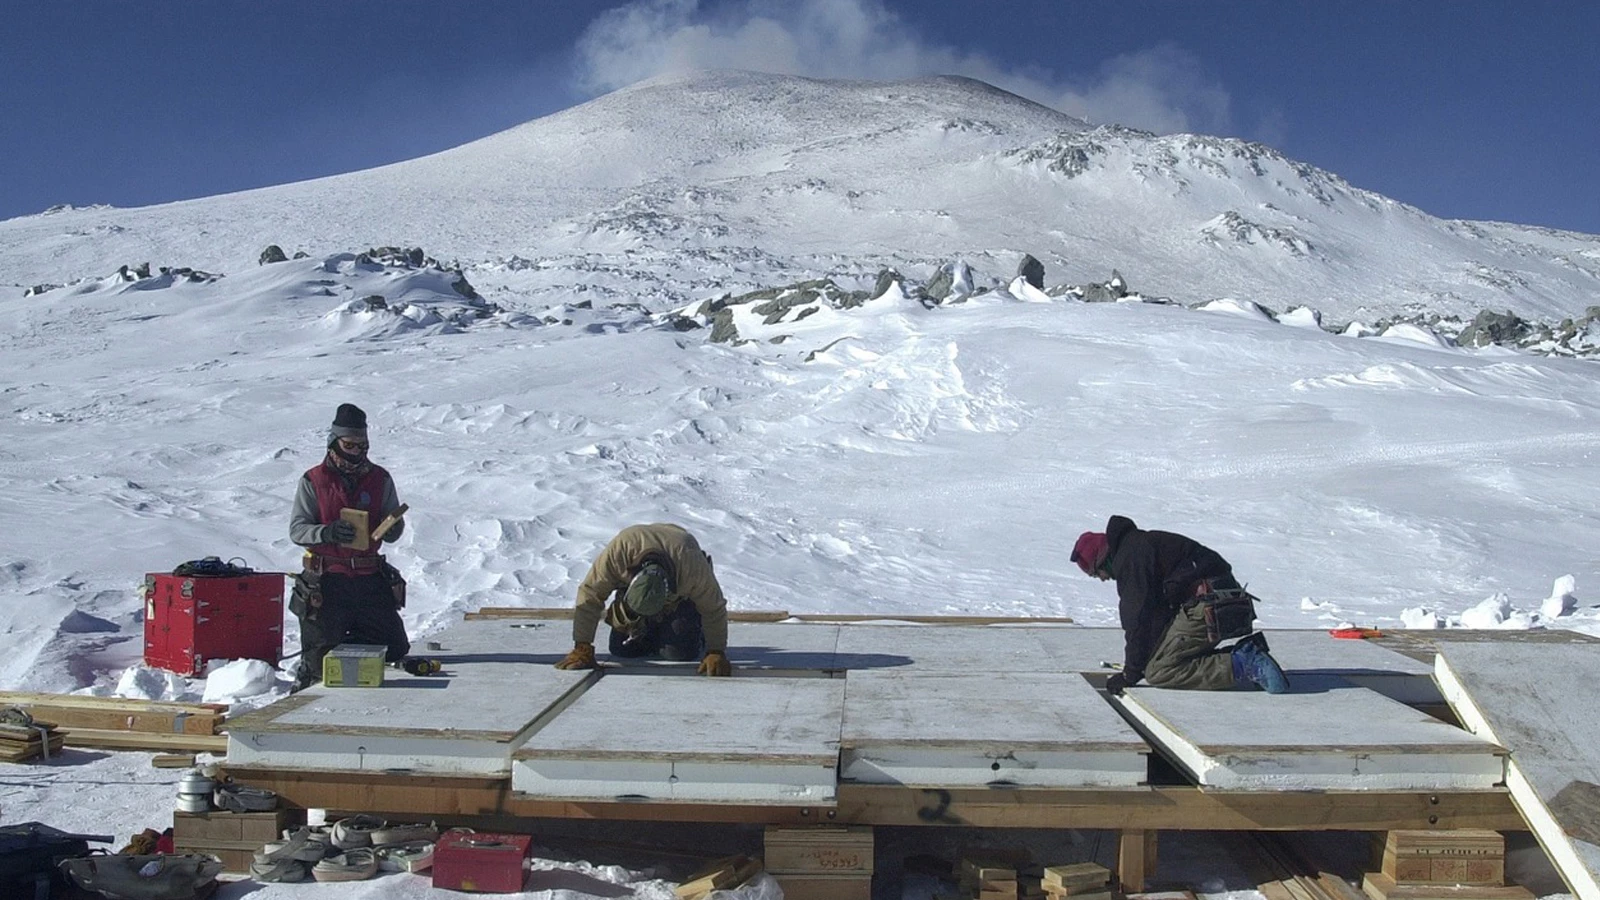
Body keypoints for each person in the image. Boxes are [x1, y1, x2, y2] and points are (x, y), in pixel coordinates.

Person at [1071, 514, 1288, 694]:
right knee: (1159, 659)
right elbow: (1154, 618)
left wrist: (1130, 674)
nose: (1102, 579)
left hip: (1207, 606)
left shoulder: (1131, 560)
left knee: (1159, 671)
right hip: (1224, 600)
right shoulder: (1139, 545)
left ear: (1102, 560)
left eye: (1096, 573)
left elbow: (1137, 622)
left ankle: (1243, 663)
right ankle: (1243, 654)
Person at [287, 403, 410, 690]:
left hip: (368, 579)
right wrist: (326, 533)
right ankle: (310, 671)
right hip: (328, 581)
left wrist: (393, 527)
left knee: (394, 648)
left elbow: (393, 527)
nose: (358, 451)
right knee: (320, 665)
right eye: (350, 445)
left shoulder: (380, 478)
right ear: (334, 442)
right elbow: (297, 529)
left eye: (362, 445)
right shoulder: (313, 480)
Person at [554, 523, 731, 676]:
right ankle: (646, 630)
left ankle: (687, 630)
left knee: (678, 653)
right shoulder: (619, 553)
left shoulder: (691, 564)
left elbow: (713, 607)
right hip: (632, 595)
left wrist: (715, 650)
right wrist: (582, 646)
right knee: (622, 650)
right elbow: (590, 594)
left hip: (679, 601)